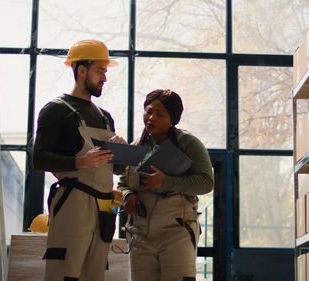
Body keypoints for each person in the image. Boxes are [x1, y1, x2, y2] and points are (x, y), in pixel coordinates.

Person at [33, 39, 125, 281]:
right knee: (65, 274)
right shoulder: (56, 110)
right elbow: (39, 159)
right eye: (100, 71)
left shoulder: (105, 117)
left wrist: (122, 154)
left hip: (104, 206)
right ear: (81, 70)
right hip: (73, 202)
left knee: (95, 275)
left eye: (105, 71)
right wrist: (81, 162)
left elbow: (116, 169)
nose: (104, 77)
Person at [117, 89, 214, 281]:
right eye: (148, 111)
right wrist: (128, 195)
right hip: (140, 236)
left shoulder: (188, 143)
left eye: (159, 114)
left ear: (173, 119)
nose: (151, 118)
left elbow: (206, 182)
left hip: (176, 232)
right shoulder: (136, 146)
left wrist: (166, 182)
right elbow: (122, 182)